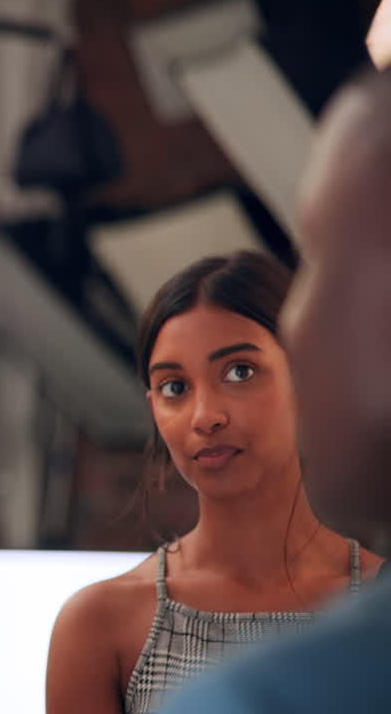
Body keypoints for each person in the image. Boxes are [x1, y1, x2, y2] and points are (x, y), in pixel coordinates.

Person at [44, 250, 383, 714]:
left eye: (239, 372)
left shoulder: (378, 611)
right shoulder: (99, 624)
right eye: (175, 388)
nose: (205, 417)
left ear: (307, 380)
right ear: (153, 408)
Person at [160, 68, 391, 714]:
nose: (296, 323)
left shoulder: (256, 699)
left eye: (321, 259)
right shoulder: (101, 615)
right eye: (173, 386)